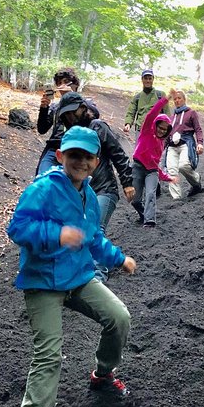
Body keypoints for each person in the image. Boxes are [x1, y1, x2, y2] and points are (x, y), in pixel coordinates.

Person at [7, 126, 136, 407]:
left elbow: (93, 239)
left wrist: (119, 259)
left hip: (79, 279)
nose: (81, 162)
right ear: (61, 156)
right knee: (49, 353)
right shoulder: (43, 189)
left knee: (119, 317)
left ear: (97, 160)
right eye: (74, 155)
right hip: (42, 282)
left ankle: (103, 374)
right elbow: (17, 229)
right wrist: (57, 235)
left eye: (87, 156)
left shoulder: (89, 196)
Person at [56, 92, 135, 281]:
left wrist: (127, 183)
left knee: (95, 229)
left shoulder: (97, 127)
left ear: (83, 109)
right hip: (79, 192)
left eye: (72, 112)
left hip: (104, 189)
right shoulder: (69, 136)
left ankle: (98, 275)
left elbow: (118, 154)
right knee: (79, 230)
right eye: (65, 115)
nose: (70, 118)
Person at [35, 68, 99, 176]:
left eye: (65, 82)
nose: (62, 86)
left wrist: (73, 96)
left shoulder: (86, 104)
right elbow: (42, 129)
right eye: (59, 83)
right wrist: (44, 108)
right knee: (43, 177)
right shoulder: (56, 107)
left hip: (77, 148)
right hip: (55, 148)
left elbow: (95, 115)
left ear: (74, 85)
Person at [131, 89, 178, 227]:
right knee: (135, 200)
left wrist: (168, 178)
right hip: (138, 167)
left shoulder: (161, 143)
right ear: (155, 125)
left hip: (151, 171)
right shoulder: (146, 130)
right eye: (160, 127)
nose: (161, 131)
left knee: (150, 194)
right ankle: (144, 215)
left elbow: (155, 165)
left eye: (165, 130)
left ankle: (150, 221)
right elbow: (152, 114)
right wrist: (166, 99)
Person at [165, 90, 204, 198]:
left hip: (185, 143)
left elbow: (198, 129)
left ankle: (196, 180)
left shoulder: (191, 113)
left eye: (179, 98)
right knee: (171, 171)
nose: (177, 101)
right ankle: (176, 198)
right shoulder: (171, 117)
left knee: (183, 165)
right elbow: (166, 133)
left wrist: (200, 143)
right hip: (172, 146)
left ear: (184, 99)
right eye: (175, 99)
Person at [123, 69, 172, 144]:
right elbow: (131, 112)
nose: (148, 81)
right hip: (141, 130)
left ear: (153, 79)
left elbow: (167, 114)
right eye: (145, 78)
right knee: (139, 153)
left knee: (154, 154)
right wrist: (128, 124)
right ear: (142, 79)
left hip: (157, 131)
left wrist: (168, 130)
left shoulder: (160, 95)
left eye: (150, 78)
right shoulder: (137, 97)